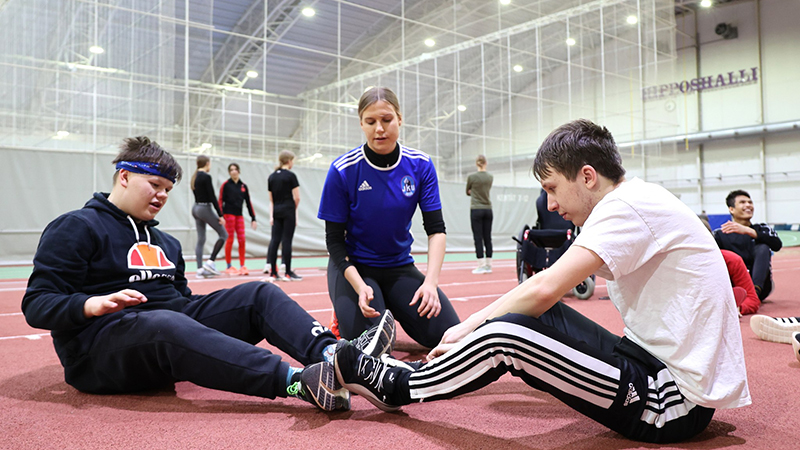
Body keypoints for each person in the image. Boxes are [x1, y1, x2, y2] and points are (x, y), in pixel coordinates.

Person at [333, 119, 750, 444]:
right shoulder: (631, 200)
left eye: (553, 189)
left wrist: (466, 328)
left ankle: (397, 385)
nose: (550, 204)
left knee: (507, 337)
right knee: (528, 316)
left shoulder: (627, 207)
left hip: (671, 403)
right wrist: (466, 328)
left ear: (587, 177)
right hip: (648, 364)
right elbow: (542, 291)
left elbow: (544, 286)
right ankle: (416, 368)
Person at [21, 136, 397, 411]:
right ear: (123, 176)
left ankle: (336, 356)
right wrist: (92, 304)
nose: (162, 195)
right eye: (154, 185)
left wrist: (224, 312)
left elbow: (183, 304)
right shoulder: (76, 227)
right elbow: (37, 304)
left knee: (258, 294)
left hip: (163, 331)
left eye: (168, 189)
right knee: (165, 323)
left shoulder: (165, 243)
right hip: (98, 352)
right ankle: (301, 383)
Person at [318, 86, 461, 349]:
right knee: (371, 347)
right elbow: (334, 241)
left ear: (400, 119)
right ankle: (343, 313)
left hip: (398, 267)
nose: (379, 129)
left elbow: (436, 229)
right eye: (370, 122)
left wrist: (430, 283)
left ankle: (391, 301)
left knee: (451, 338)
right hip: (355, 268)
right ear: (361, 123)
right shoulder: (343, 170)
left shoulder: (420, 165)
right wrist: (359, 286)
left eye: (386, 120)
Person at [714, 190, 782, 301]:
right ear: (731, 209)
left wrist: (750, 231)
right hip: (734, 285)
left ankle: (754, 293)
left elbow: (777, 245)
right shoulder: (720, 234)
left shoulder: (762, 228)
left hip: (760, 287)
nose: (748, 205)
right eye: (742, 202)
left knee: (763, 247)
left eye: (750, 202)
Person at [265, 150, 302, 282]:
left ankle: (273, 272)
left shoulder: (272, 177)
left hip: (277, 210)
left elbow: (271, 199)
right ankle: (287, 271)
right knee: (287, 240)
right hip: (288, 210)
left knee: (275, 240)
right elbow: (297, 197)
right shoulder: (291, 176)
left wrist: (272, 214)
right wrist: (293, 209)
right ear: (289, 161)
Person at [191, 155, 227, 278]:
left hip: (195, 208)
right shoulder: (206, 177)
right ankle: (210, 262)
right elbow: (212, 197)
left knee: (201, 239)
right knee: (223, 234)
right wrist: (220, 215)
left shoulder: (194, 176)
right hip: (204, 208)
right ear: (207, 163)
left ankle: (200, 269)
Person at [219, 162, 257, 275]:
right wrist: (221, 215)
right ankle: (229, 266)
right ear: (229, 172)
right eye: (231, 170)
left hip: (239, 216)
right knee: (229, 240)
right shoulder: (225, 185)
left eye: (235, 169)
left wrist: (253, 218)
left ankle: (242, 265)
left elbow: (248, 203)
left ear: (239, 171)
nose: (233, 171)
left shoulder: (243, 186)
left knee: (242, 240)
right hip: (228, 216)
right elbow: (220, 201)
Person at [466, 155, 494, 274]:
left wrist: (473, 192)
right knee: (487, 237)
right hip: (488, 209)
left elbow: (468, 191)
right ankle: (489, 264)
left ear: (477, 164)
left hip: (476, 209)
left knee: (478, 237)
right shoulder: (490, 177)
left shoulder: (472, 177)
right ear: (485, 163)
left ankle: (481, 265)